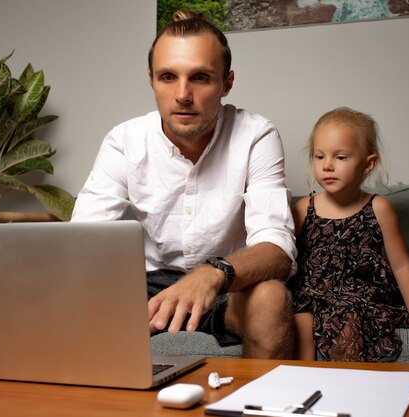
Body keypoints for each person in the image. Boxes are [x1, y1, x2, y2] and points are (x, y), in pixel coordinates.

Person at [71, 11, 297, 359]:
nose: (182, 94)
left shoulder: (256, 134)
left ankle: (257, 410)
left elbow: (277, 248)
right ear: (151, 80)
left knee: (272, 297)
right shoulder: (124, 140)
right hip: (147, 286)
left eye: (201, 77)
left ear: (227, 82)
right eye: (167, 77)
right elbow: (82, 240)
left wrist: (213, 273)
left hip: (230, 286)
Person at [288, 107, 409, 362]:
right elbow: (285, 261)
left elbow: (400, 264)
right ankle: (303, 389)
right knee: (301, 321)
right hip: (312, 296)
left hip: (359, 298)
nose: (327, 165)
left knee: (349, 319)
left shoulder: (379, 208)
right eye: (319, 157)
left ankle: (346, 390)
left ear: (368, 163)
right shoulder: (303, 209)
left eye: (340, 157)